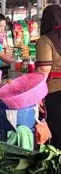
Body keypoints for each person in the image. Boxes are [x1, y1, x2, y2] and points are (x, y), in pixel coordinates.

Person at [36, 5, 61, 148]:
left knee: (57, 128)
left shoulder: (45, 40)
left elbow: (43, 71)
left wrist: (37, 95)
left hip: (55, 92)